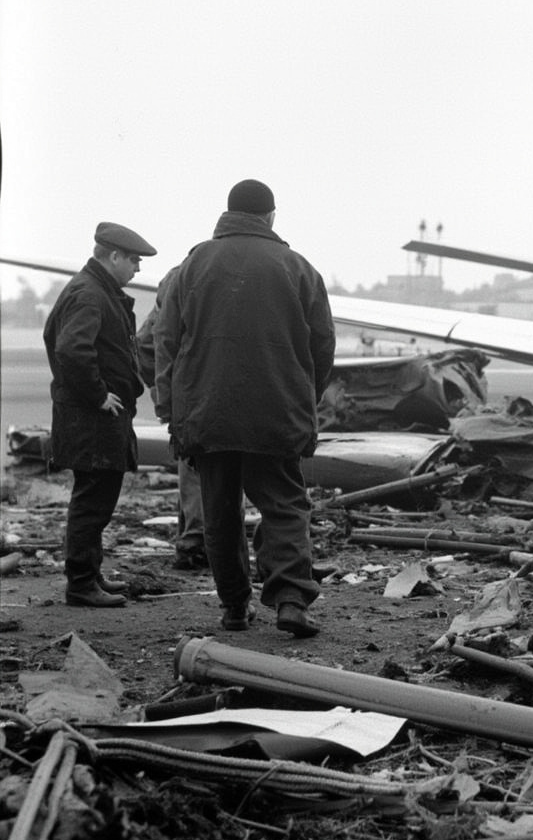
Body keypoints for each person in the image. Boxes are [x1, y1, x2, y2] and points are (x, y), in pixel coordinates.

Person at [153, 179, 336, 637]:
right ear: (271, 217)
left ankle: (235, 607)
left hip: (207, 415)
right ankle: (291, 599)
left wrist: (170, 404)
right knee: (286, 507)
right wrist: (303, 400)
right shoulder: (297, 267)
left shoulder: (191, 266)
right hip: (276, 412)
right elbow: (323, 344)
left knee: (219, 513)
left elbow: (166, 339)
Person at [43, 222, 158, 608]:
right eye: (134, 261)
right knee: (92, 503)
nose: (137, 269)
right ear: (113, 256)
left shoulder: (94, 291)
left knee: (97, 501)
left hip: (92, 421)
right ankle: (80, 584)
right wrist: (97, 396)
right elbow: (72, 351)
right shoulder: (90, 294)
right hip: (92, 422)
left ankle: (89, 575)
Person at [137, 265, 207, 570]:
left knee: (192, 470)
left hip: (188, 401)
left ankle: (193, 541)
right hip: (213, 398)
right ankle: (197, 542)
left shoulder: (178, 280)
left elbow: (146, 343)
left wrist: (163, 393)